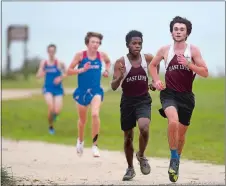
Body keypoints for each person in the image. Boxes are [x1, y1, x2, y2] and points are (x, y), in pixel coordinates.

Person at [149, 16, 209, 183]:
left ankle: (176, 160)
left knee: (181, 136)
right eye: (176, 29)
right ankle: (174, 157)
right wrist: (156, 80)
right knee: (173, 122)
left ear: (187, 32)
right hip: (169, 94)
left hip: (187, 97)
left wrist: (189, 64)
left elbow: (205, 72)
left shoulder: (193, 51)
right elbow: (152, 65)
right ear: (171, 32)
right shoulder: (165, 50)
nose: (178, 32)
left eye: (182, 29)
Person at [111, 30, 159, 181]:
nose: (137, 46)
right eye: (134, 43)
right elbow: (113, 86)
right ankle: (130, 168)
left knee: (144, 127)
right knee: (128, 138)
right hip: (127, 102)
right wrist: (119, 77)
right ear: (127, 45)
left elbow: (156, 66)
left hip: (143, 99)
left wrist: (154, 80)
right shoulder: (120, 62)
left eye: (139, 43)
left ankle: (141, 155)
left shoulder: (148, 59)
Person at [67, 32, 111, 158]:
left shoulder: (101, 55)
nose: (95, 44)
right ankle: (80, 141)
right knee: (82, 121)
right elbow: (69, 71)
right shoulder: (80, 56)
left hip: (96, 90)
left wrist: (107, 70)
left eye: (97, 42)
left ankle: (95, 145)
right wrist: (81, 70)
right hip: (82, 92)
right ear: (87, 43)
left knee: (95, 114)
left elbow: (108, 62)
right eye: (93, 42)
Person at [36, 44, 67, 135]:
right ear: (47, 52)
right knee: (51, 107)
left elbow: (66, 73)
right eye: (50, 51)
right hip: (48, 88)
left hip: (58, 89)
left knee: (57, 110)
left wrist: (60, 78)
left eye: (53, 51)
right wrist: (42, 73)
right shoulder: (44, 63)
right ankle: (51, 126)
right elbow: (38, 74)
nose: (51, 53)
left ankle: (53, 116)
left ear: (55, 52)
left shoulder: (59, 63)